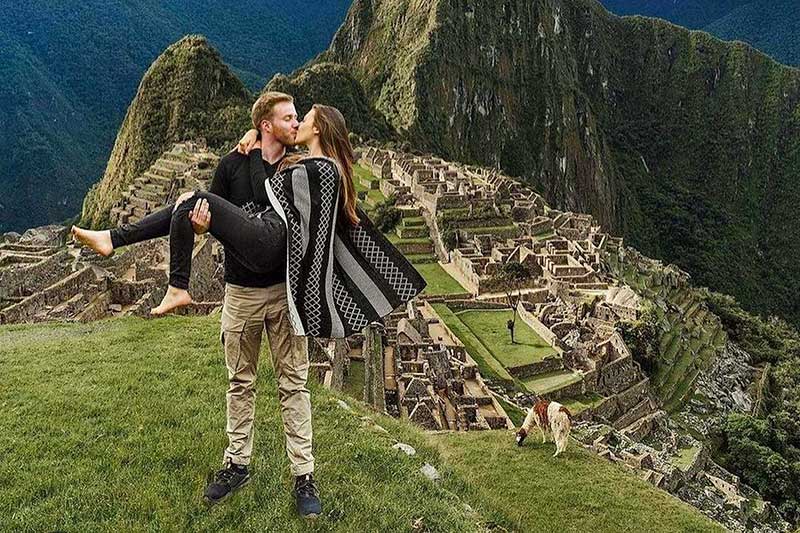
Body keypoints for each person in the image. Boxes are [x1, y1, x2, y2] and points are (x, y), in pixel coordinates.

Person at [73, 92, 324, 517]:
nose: (296, 123)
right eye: (288, 117)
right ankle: (237, 464)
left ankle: (304, 475)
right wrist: (203, 228)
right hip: (241, 292)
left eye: (297, 118)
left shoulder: (297, 167)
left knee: (293, 385)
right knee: (240, 382)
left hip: (283, 293)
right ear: (267, 124)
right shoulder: (231, 165)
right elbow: (213, 224)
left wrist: (263, 147)